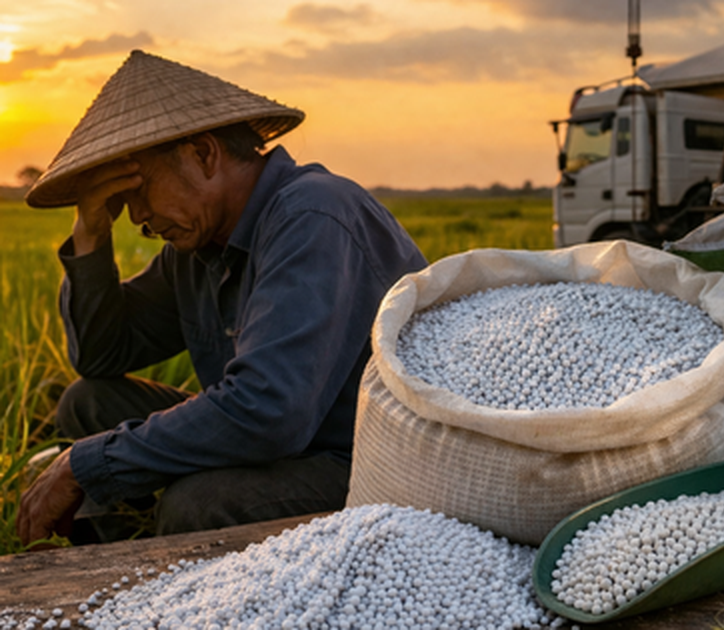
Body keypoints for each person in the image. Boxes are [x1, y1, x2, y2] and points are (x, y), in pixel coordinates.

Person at [16, 49, 427, 545]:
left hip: (364, 461)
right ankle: (123, 556)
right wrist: (90, 236)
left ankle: (149, 576)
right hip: (284, 446)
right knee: (89, 404)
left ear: (204, 154)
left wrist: (86, 465)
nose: (137, 218)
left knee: (199, 504)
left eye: (137, 189)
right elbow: (101, 356)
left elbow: (269, 411)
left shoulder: (313, 214)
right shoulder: (196, 248)